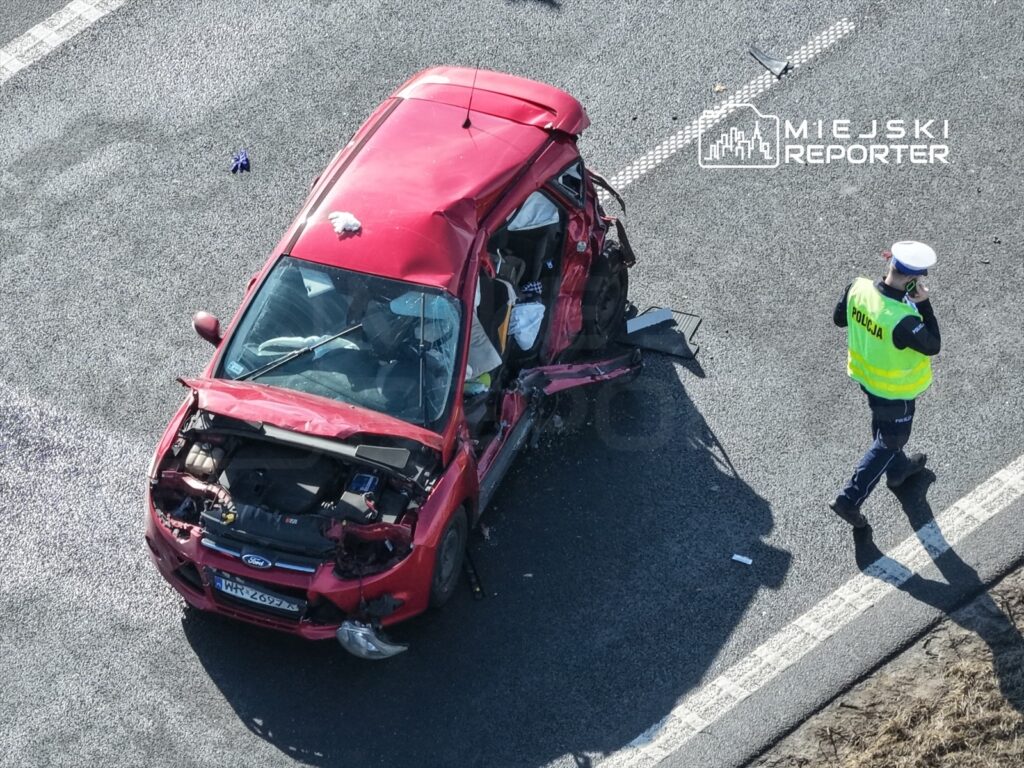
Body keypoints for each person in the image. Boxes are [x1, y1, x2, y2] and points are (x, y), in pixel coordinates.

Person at [830, 241, 941, 527]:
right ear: (912, 280)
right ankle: (849, 500)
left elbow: (840, 319)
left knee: (885, 427)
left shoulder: (857, 288)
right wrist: (924, 304)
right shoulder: (903, 320)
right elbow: (933, 345)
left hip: (866, 378)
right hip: (896, 391)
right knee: (891, 440)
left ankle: (898, 469)